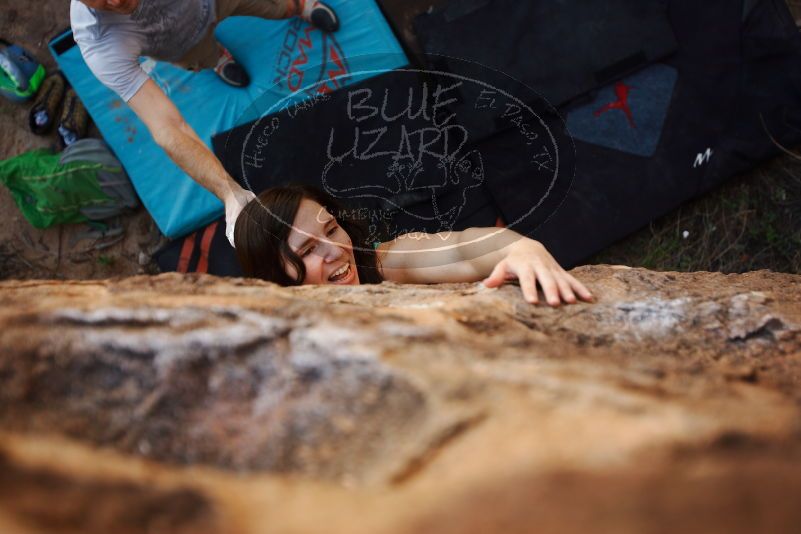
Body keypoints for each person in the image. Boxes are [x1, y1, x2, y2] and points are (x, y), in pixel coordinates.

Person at [70, 0, 340, 246]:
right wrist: (229, 193)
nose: (116, 1)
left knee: (281, 7)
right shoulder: (99, 41)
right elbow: (168, 127)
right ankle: (218, 59)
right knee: (203, 57)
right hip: (183, 45)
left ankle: (300, 7)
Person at [234, 185, 595, 306]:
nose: (335, 250)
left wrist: (516, 249)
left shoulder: (385, 261)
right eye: (308, 251)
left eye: (331, 229)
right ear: (275, 276)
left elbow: (462, 249)